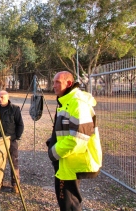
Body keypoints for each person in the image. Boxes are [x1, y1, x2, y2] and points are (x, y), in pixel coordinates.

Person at [46, 71, 102, 211]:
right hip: (65, 161)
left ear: (69, 83)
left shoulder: (77, 103)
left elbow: (78, 139)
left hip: (70, 161)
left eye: (57, 82)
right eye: (53, 82)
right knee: (66, 201)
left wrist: (54, 152)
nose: (54, 86)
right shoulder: (66, 101)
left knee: (69, 204)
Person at [0, 90, 24, 194]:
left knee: (14, 163)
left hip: (10, 140)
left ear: (7, 97)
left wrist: (15, 137)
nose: (0, 99)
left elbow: (20, 125)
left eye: (2, 97)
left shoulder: (15, 109)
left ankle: (15, 185)